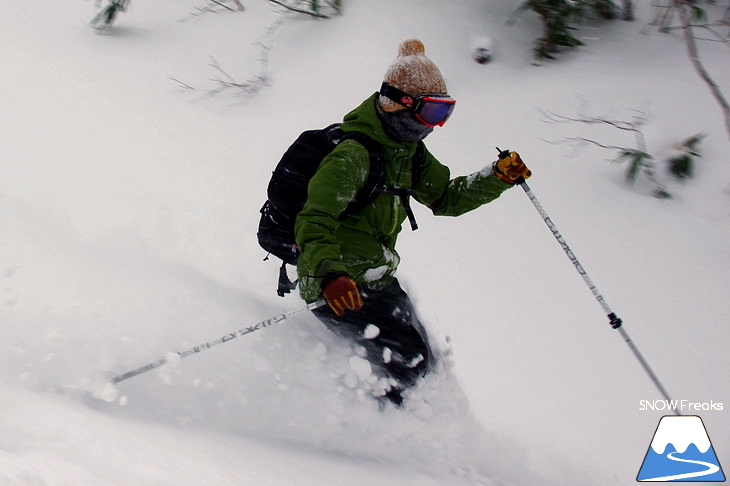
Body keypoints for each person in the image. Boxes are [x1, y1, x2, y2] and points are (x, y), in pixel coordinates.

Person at [294, 38, 530, 407]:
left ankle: (396, 421)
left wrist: (496, 178)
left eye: (445, 113)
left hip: (376, 277)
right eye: (433, 113)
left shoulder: (408, 153)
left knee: (425, 360)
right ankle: (374, 432)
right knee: (409, 362)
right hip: (337, 286)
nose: (437, 125)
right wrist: (329, 276)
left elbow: (445, 198)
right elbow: (314, 219)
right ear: (399, 104)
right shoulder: (353, 157)